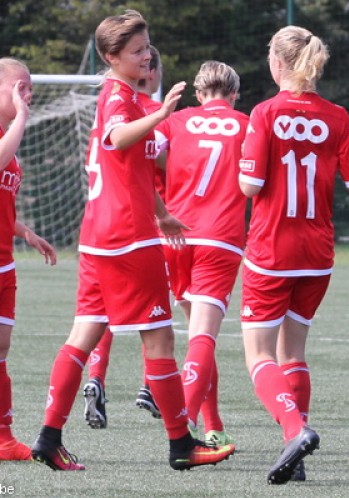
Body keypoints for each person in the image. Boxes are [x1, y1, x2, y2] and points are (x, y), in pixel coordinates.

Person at [31, 10, 234, 471]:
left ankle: (48, 437)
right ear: (111, 57)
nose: (146, 56)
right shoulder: (118, 98)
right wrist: (162, 113)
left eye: (147, 47)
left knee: (83, 334)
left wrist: (162, 214)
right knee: (159, 340)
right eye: (137, 51)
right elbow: (117, 138)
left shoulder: (128, 98)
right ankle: (182, 444)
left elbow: (132, 167)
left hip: (102, 234)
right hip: (126, 239)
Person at [237, 25, 349, 484]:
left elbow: (249, 185)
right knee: (294, 351)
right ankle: (298, 455)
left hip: (272, 248)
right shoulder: (337, 116)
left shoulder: (265, 112)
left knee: (258, 356)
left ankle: (295, 430)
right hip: (318, 251)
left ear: (277, 63)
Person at [156, 60, 249, 446]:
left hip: (175, 237)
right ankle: (184, 426)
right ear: (235, 94)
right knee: (203, 338)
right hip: (219, 238)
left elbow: (147, 159)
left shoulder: (175, 121)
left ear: (198, 94)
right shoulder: (247, 124)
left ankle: (213, 424)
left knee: (197, 336)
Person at [83, 45, 165, 428]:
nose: (148, 62)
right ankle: (156, 393)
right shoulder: (140, 109)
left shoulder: (108, 106)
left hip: (100, 226)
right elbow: (161, 163)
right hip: (135, 227)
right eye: (142, 54)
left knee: (97, 321)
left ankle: (91, 383)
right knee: (160, 330)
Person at [0, 57, 57, 462]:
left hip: (4, 260)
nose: (29, 94)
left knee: (1, 349)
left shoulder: (9, 135)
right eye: (20, 87)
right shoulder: (8, 136)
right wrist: (21, 116)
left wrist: (25, 232)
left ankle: (2, 439)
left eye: (30, 88)